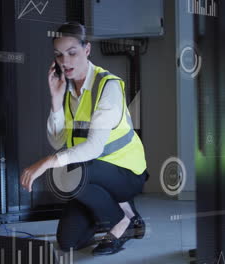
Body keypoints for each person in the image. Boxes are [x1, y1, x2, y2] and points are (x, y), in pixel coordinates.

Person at [20, 22, 148, 255]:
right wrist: (56, 101)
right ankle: (126, 211)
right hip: (92, 173)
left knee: (68, 172)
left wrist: (46, 162)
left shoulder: (107, 86)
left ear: (87, 50)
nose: (65, 61)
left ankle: (122, 224)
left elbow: (93, 148)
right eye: (58, 55)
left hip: (126, 171)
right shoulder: (67, 90)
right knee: (68, 242)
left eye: (72, 53)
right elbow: (60, 143)